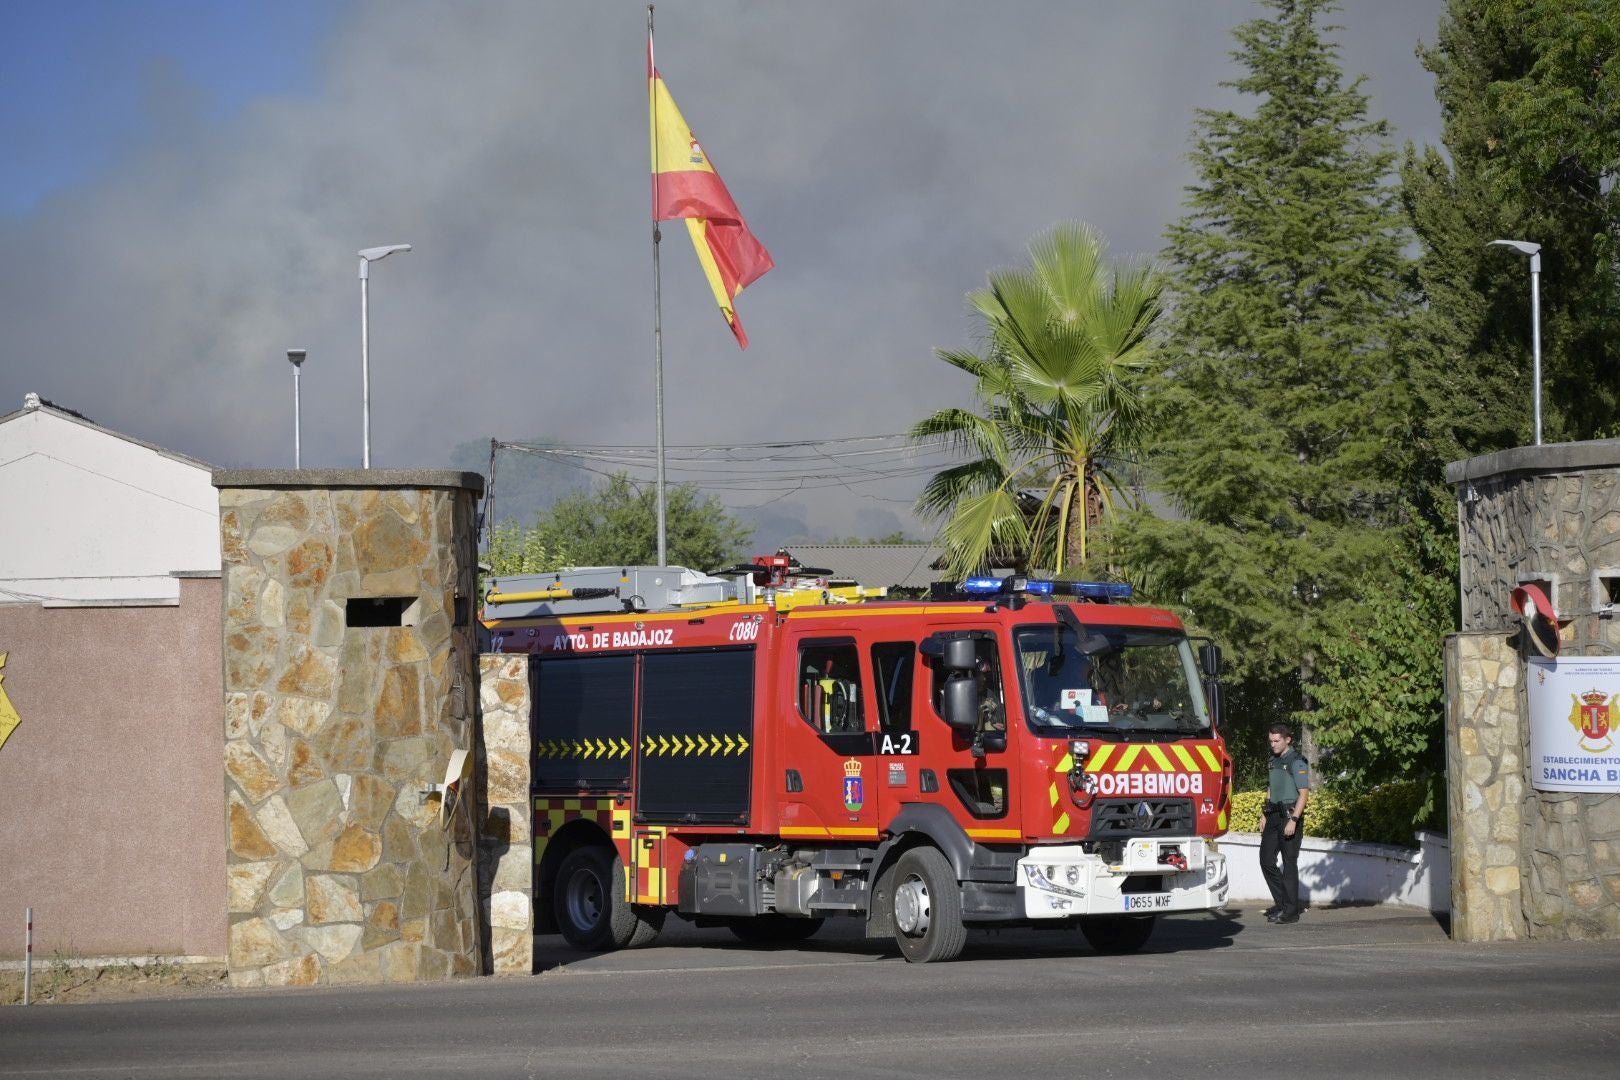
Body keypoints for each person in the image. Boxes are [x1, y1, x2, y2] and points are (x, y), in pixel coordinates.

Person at [1260, 722, 1311, 924]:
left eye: (1276, 740)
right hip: (1273, 816)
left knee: (1289, 864)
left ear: (1287, 739)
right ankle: (1283, 904)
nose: (1272, 744)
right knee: (1266, 860)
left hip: (1290, 816)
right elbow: (1271, 788)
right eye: (1270, 740)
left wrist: (1294, 820)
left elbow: (1304, 795)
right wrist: (1264, 813)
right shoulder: (1273, 760)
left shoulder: (1296, 761)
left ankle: (1290, 912)